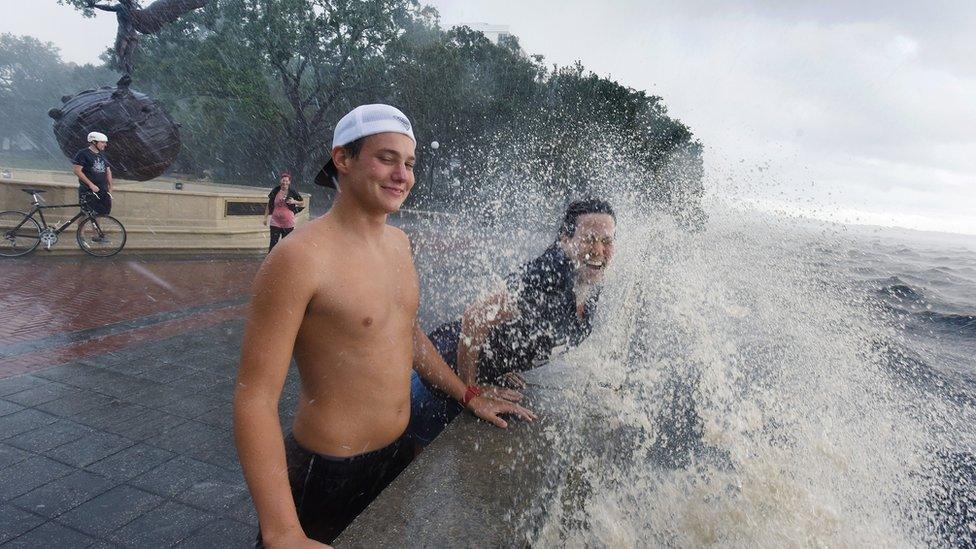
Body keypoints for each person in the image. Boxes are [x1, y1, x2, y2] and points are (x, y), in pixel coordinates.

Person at [234, 104, 535, 548]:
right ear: (343, 159)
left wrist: (466, 393)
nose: (402, 175)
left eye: (409, 163)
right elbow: (254, 399)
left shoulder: (399, 243)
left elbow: (405, 335)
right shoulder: (300, 259)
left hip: (397, 452)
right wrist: (282, 532)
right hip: (330, 468)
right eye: (387, 158)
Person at [407, 198, 616, 448]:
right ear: (565, 239)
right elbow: (475, 318)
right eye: (589, 238)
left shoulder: (588, 276)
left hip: (459, 375)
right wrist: (473, 389)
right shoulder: (547, 275)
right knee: (409, 468)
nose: (598, 250)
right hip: (440, 381)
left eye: (606, 241)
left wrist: (502, 363)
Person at [72, 131, 113, 216]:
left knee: (100, 214)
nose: (105, 145)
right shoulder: (83, 154)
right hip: (88, 190)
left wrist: (110, 186)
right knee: (85, 214)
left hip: (102, 189)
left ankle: (96, 230)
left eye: (105, 142)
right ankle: (81, 229)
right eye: (102, 142)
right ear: (94, 142)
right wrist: (90, 184)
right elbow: (77, 170)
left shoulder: (103, 154)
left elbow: (108, 170)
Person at [264, 172, 303, 252]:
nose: (284, 182)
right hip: (275, 221)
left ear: (289, 182)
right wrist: (265, 217)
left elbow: (302, 202)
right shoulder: (275, 190)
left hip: (288, 222)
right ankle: (271, 261)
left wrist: (294, 201)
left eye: (286, 181)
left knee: (285, 244)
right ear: (280, 181)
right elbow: (269, 204)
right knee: (273, 244)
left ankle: (283, 261)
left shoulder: (292, 191)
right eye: (283, 180)